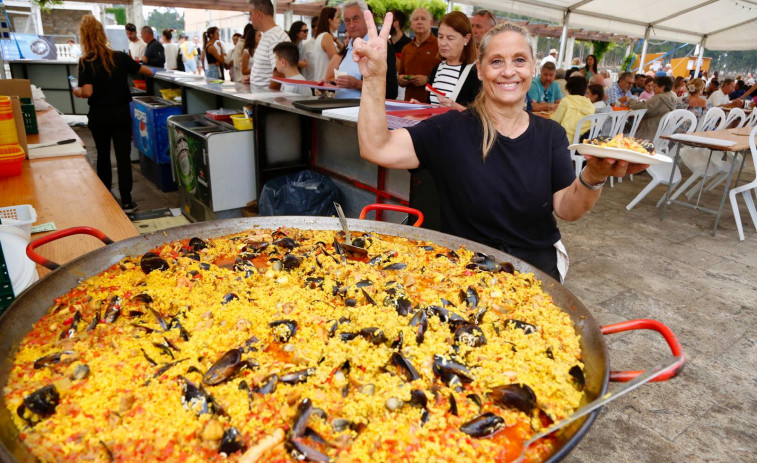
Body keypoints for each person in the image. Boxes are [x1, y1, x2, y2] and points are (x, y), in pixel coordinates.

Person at [354, 12, 646, 281]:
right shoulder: (449, 129)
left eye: (519, 60)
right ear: (479, 70)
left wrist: (594, 176)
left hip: (534, 275)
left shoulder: (550, 135)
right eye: (496, 61)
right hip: (465, 275)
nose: (509, 71)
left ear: (532, 68)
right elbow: (376, 148)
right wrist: (374, 77)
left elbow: (567, 209)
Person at [72, 15, 153, 213]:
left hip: (99, 115)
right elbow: (146, 71)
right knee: (123, 157)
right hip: (121, 113)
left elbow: (87, 92)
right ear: (102, 34)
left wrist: (76, 90)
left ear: (84, 37)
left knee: (103, 155)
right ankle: (127, 202)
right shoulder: (119, 56)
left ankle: (107, 200)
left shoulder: (85, 61)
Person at [333, 0, 397, 100]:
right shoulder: (348, 48)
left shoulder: (380, 47)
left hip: (361, 113)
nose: (352, 25)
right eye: (347, 20)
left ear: (367, 18)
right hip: (338, 110)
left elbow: (391, 92)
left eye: (356, 18)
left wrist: (357, 84)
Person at [426, 11, 479, 109]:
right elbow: (432, 106)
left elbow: (481, 115)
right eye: (440, 37)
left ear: (466, 39)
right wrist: (420, 106)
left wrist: (455, 106)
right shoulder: (437, 69)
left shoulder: (475, 72)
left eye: (450, 38)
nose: (443, 43)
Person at [398, 8, 440, 103]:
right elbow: (400, 76)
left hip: (431, 104)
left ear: (431, 23)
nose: (419, 22)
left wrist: (427, 80)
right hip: (408, 103)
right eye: (416, 19)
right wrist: (401, 80)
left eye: (423, 19)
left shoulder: (439, 46)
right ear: (411, 24)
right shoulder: (406, 48)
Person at [248, 0, 290, 89]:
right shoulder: (267, 35)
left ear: (259, 14)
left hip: (266, 100)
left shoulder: (276, 38)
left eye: (251, 14)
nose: (249, 19)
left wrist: (267, 98)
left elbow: (280, 74)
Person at [628, 76, 676, 141]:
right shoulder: (671, 95)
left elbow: (643, 106)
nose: (653, 89)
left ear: (662, 87)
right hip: (663, 130)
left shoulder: (659, 98)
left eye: (654, 86)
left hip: (652, 131)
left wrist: (628, 100)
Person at [551, 76, 595, 142]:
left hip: (566, 141)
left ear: (569, 90)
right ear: (585, 90)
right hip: (583, 143)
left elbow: (554, 121)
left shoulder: (566, 100)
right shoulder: (590, 104)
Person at [307, 7, 341, 81]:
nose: (339, 21)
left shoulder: (324, 36)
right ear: (330, 21)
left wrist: (335, 39)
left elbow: (343, 50)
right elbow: (336, 62)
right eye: (337, 17)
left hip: (323, 83)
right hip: (325, 85)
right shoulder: (326, 37)